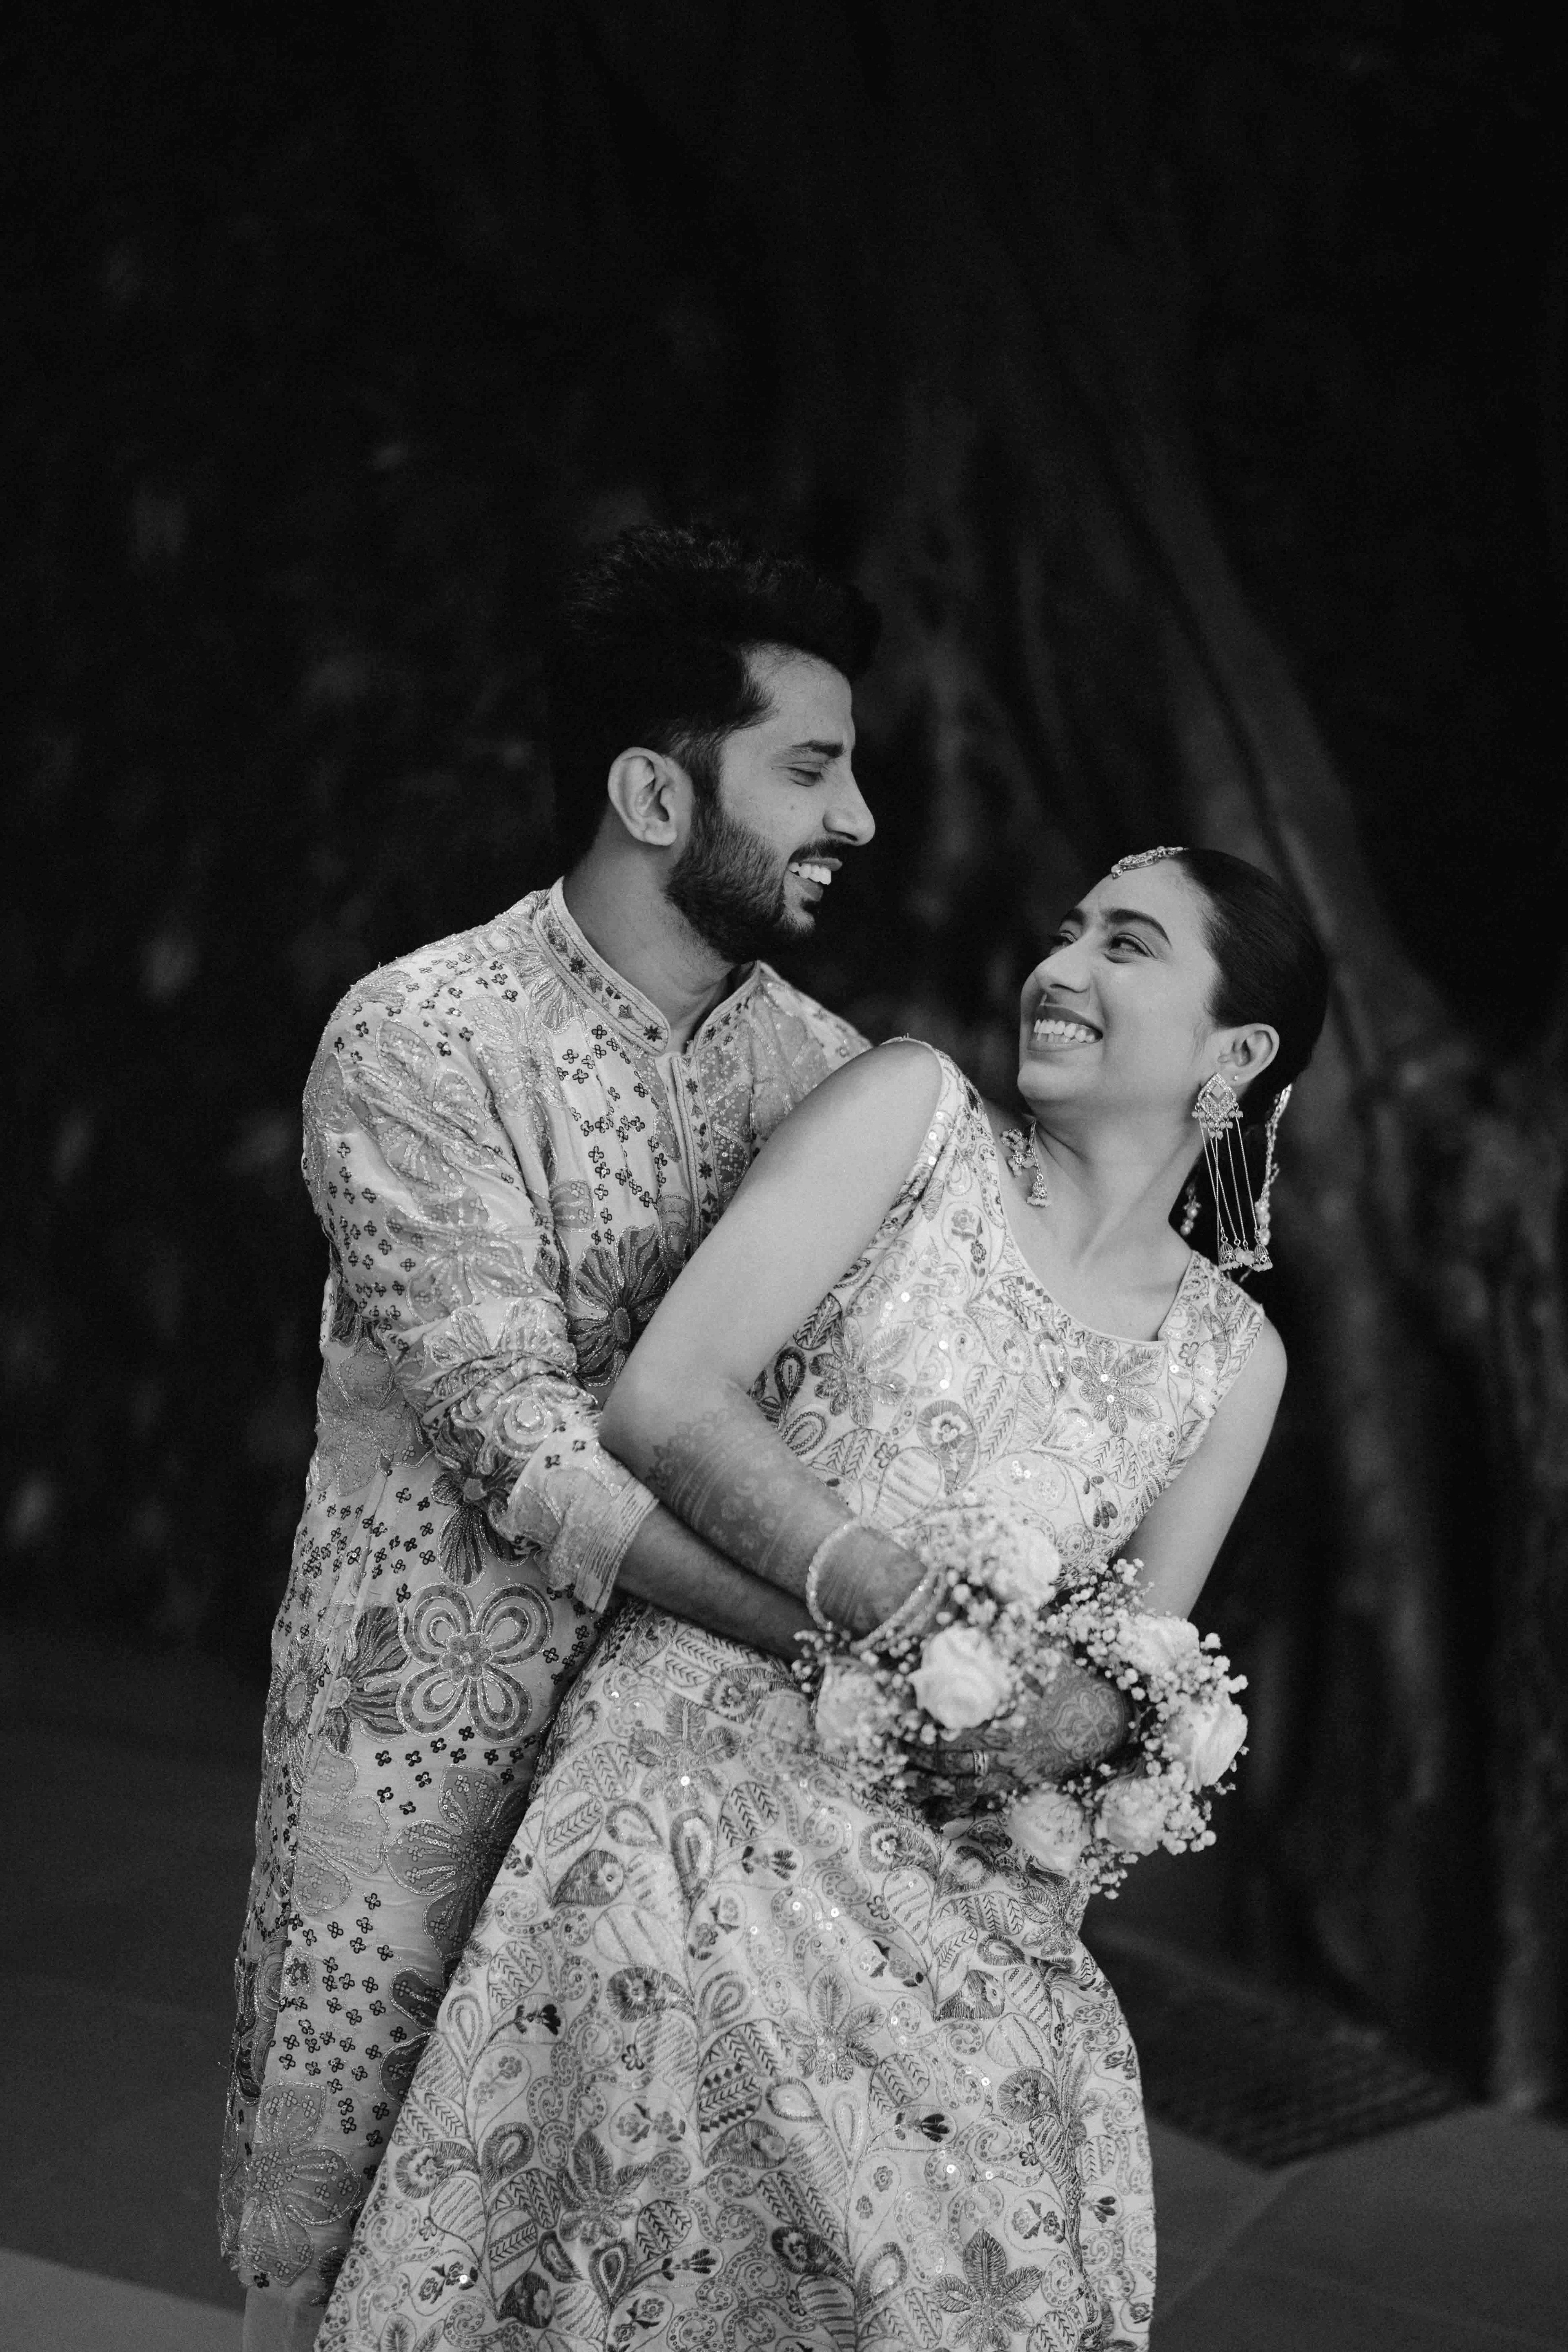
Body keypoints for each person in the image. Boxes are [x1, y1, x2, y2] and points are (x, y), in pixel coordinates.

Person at [318, 845, 1330, 2352]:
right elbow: (666, 1403)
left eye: (1126, 946)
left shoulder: (1229, 1359)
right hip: (697, 1792)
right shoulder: (912, 1120)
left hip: (960, 1892)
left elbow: (1136, 1666)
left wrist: (1084, 1722)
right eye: (1066, 931)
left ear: (1235, 1054)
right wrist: (903, 1613)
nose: (1060, 969)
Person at [222, 524, 899, 2348]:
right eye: (811, 770)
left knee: (626, 2260)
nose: (856, 819)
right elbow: (514, 1436)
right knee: (353, 2250)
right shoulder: (424, 1036)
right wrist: (832, 1632)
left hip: (696, 1787)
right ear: (652, 793)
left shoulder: (834, 1082)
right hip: (426, 1754)